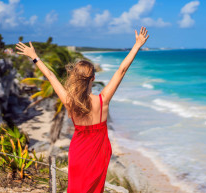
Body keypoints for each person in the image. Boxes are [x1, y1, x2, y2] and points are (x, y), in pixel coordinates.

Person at [15, 26, 149, 192]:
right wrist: (137, 45)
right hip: (100, 153)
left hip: (78, 152)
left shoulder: (70, 102)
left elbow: (51, 76)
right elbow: (121, 71)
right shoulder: (103, 99)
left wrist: (34, 56)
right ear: (93, 78)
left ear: (75, 78)